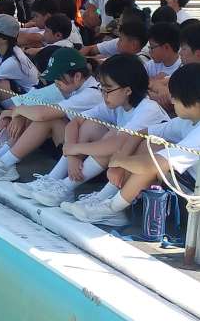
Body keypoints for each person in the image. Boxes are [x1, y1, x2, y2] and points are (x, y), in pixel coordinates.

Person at [66, 64, 200, 226]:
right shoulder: (187, 121)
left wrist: (119, 161)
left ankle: (113, 209)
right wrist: (120, 160)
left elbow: (152, 164)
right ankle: (103, 200)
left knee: (151, 160)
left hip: (194, 193)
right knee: (146, 145)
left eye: (175, 97)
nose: (171, 101)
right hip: (188, 180)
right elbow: (142, 133)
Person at [29, 54, 169, 208]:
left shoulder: (148, 109)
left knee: (114, 138)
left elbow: (118, 144)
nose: (103, 94)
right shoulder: (117, 104)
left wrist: (75, 148)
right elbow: (75, 122)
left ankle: (102, 200)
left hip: (155, 174)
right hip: (121, 165)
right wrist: (72, 156)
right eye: (101, 88)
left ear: (128, 90)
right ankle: (55, 180)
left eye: (107, 89)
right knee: (90, 125)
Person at [0, 49, 102, 183]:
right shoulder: (74, 86)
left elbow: (42, 115)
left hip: (88, 160)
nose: (55, 82)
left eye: (58, 78)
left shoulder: (91, 94)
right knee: (32, 114)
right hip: (75, 147)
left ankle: (5, 164)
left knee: (47, 120)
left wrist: (18, 111)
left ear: (77, 76)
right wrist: (17, 114)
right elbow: (32, 105)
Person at [0, 14, 39, 108]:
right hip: (24, 94)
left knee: (1, 84)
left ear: (2, 39)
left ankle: (8, 112)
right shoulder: (4, 50)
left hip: (33, 102)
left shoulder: (12, 62)